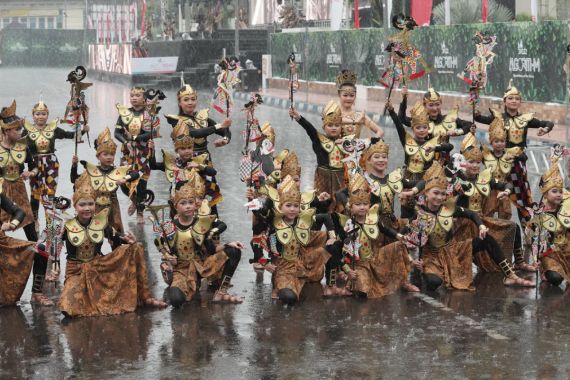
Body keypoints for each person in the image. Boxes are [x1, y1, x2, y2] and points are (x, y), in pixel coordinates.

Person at [401, 162, 533, 291]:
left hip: (454, 250)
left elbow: (471, 214)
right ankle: (427, 274)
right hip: (432, 257)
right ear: (426, 194)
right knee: (433, 282)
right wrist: (411, 259)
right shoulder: (420, 213)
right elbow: (403, 236)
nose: (439, 197)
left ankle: (510, 275)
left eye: (442, 194)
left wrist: (481, 227)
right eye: (435, 193)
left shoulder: (448, 209)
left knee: (487, 238)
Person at [58, 176, 166, 317]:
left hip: (97, 266)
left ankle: (145, 297)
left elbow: (117, 236)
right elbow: (50, 246)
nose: (87, 208)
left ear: (95, 205)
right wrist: (54, 268)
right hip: (76, 271)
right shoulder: (66, 225)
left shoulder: (100, 223)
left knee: (136, 247)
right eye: (82, 205)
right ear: (75, 206)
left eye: (90, 204)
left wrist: (128, 240)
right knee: (69, 308)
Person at [475, 79, 554, 222]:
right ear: (505, 101)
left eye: (517, 99)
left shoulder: (525, 119)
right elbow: (479, 118)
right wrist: (475, 110)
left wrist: (546, 129)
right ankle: (489, 229)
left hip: (517, 164)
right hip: (498, 163)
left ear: (520, 102)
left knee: (522, 198)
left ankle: (527, 229)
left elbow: (548, 123)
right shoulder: (497, 117)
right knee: (494, 195)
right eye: (510, 98)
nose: (514, 101)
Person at [156, 181, 244, 307]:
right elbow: (164, 251)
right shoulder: (170, 227)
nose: (188, 206)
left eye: (191, 202)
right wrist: (170, 259)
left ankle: (221, 292)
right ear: (176, 206)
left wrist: (229, 244)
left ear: (196, 205)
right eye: (183, 203)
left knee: (234, 251)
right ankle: (185, 283)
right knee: (176, 300)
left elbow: (212, 249)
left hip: (202, 265)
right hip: (182, 269)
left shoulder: (202, 223)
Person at [0, 100, 51, 305]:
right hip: (2, 195)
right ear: (6, 131)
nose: (21, 131)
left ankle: (37, 292)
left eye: (21, 128)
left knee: (37, 244)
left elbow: (36, 167)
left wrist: (31, 172)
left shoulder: (24, 146)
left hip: (20, 193)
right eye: (17, 129)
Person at [262, 175, 340, 305]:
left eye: (295, 206)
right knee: (289, 299)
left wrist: (332, 237)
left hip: (303, 263)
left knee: (335, 245)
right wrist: (264, 262)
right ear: (280, 207)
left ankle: (330, 285)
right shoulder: (273, 223)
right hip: (284, 270)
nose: (292, 209)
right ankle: (278, 286)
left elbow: (325, 216)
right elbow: (258, 239)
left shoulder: (302, 221)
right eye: (288, 205)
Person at [337, 173, 418, 297]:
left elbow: (385, 230)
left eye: (365, 204)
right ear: (350, 207)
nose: (362, 207)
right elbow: (339, 251)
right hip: (360, 265)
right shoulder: (347, 225)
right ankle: (354, 281)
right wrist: (347, 271)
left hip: (375, 258)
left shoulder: (373, 220)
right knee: (363, 292)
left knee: (399, 245)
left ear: (369, 205)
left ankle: (403, 281)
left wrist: (400, 236)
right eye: (358, 205)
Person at [24, 100, 88, 224]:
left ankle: (50, 219)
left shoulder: (53, 129)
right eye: (37, 114)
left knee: (50, 191)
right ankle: (35, 220)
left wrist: (83, 130)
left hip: (51, 164)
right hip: (34, 164)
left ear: (47, 115)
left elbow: (71, 135)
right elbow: (18, 147)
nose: (40, 116)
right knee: (35, 193)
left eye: (43, 114)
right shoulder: (27, 131)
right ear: (33, 116)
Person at [386, 100, 453, 217]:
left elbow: (449, 146)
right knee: (406, 207)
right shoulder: (408, 141)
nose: (422, 130)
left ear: (428, 128)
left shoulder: (433, 142)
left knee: (423, 210)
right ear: (413, 128)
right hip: (408, 178)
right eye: (418, 127)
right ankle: (405, 230)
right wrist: (392, 111)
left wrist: (436, 147)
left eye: (424, 127)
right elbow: (398, 125)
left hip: (425, 180)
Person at [71, 128, 141, 234]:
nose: (109, 157)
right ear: (98, 156)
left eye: (112, 155)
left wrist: (124, 179)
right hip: (95, 207)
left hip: (112, 206)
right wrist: (74, 165)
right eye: (105, 154)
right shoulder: (92, 171)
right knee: (93, 235)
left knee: (117, 236)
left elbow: (136, 173)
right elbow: (74, 179)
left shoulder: (117, 171)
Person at [397, 87, 475, 166]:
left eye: (437, 104)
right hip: (423, 164)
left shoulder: (448, 120)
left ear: (441, 104)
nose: (435, 108)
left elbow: (470, 125)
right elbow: (401, 119)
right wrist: (404, 99)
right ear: (424, 105)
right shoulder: (420, 122)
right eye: (431, 105)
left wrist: (457, 132)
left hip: (443, 165)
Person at [114, 87, 157, 223]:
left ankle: (140, 212)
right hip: (127, 153)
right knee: (123, 181)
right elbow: (117, 133)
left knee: (141, 183)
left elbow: (151, 133)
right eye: (132, 95)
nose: (134, 98)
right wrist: (126, 141)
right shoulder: (125, 114)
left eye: (137, 95)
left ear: (143, 98)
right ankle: (134, 199)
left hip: (142, 152)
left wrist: (134, 139)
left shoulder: (148, 114)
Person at [289, 101, 349, 197]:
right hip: (322, 177)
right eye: (330, 125)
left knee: (340, 203)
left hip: (340, 177)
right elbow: (309, 128)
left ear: (341, 127)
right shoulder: (318, 139)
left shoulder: (347, 142)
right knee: (322, 201)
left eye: (337, 125)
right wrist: (298, 117)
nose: (334, 128)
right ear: (324, 127)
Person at [527, 161, 570, 287]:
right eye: (554, 191)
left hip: (567, 249)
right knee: (556, 279)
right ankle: (545, 271)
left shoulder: (565, 210)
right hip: (549, 253)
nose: (558, 195)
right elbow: (534, 240)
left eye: (560, 192)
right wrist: (535, 260)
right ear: (545, 194)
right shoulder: (539, 214)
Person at [0, 178, 37, 306]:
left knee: (39, 250)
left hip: (2, 241)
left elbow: (19, 211)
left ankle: (37, 293)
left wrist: (12, 224)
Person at [335, 69, 384, 139]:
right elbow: (335, 122)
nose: (348, 98)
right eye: (345, 95)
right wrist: (355, 121)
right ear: (339, 95)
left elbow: (380, 131)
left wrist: (367, 143)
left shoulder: (359, 115)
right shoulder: (333, 112)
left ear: (355, 96)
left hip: (355, 149)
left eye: (351, 95)